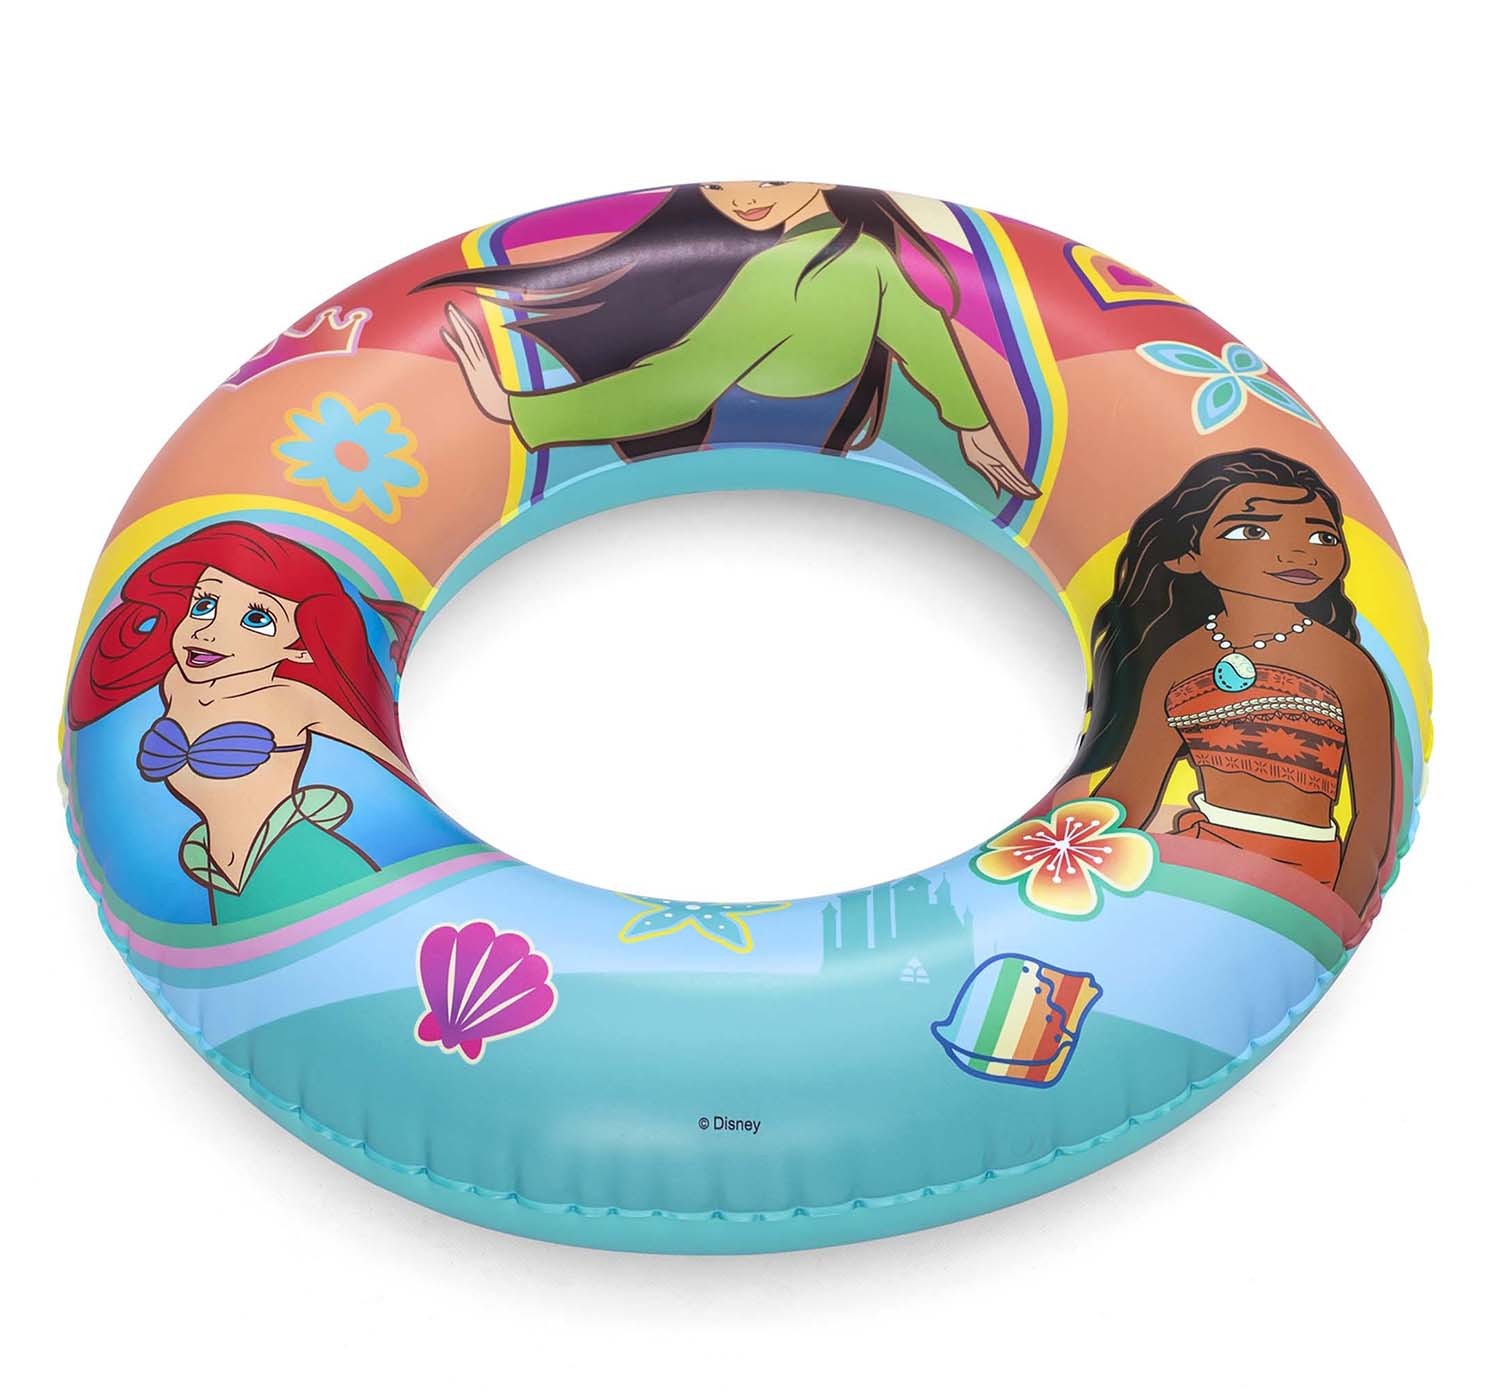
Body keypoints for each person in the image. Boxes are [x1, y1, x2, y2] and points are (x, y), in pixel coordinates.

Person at [423, 180, 1039, 503]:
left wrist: (516, 409)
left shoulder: (787, 268)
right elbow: (925, 335)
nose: (743, 199)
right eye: (720, 189)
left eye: (772, 182)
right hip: (814, 433)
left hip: (753, 428)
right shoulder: (865, 254)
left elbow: (676, 389)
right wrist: (973, 425)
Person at [1071, 449, 1395, 917]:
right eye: (1253, 531)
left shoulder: (1346, 666)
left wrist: (1338, 916)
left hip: (1306, 878)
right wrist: (1071, 854)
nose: (1300, 552)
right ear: (1187, 556)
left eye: (1323, 536)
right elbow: (1131, 793)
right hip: (1198, 859)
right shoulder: (1178, 662)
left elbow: (1373, 818)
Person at [68, 521, 420, 922]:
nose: (209, 631)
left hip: (297, 860)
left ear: (300, 649)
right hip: (218, 871)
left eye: (256, 619)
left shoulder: (294, 699)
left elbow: (380, 752)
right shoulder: (176, 684)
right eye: (204, 605)